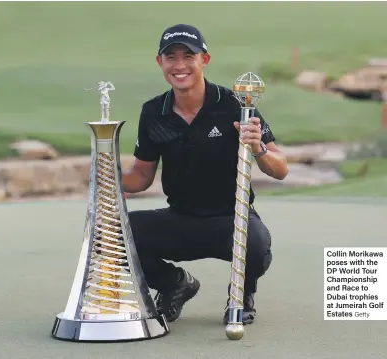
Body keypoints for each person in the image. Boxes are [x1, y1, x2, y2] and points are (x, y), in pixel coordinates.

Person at [122, 24, 289, 325]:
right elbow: (141, 177)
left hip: (231, 219)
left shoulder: (236, 106)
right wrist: (103, 177)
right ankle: (175, 284)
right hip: (180, 219)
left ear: (205, 60)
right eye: (171, 57)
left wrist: (258, 149)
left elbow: (281, 169)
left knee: (257, 244)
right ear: (160, 62)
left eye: (189, 55)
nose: (180, 65)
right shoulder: (153, 112)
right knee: (117, 235)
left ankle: (242, 293)